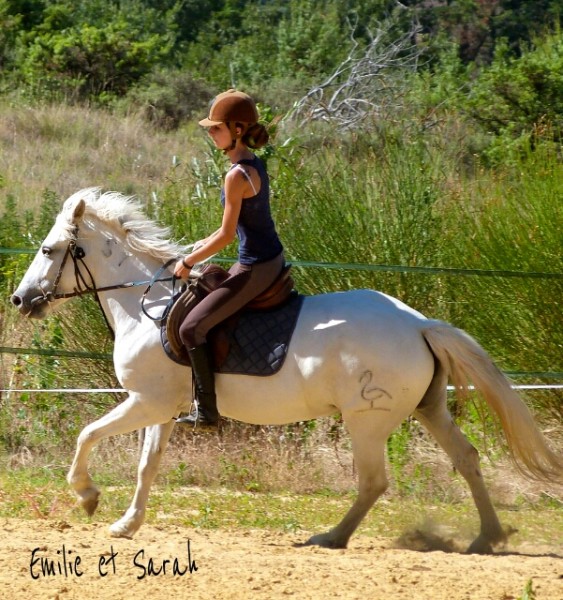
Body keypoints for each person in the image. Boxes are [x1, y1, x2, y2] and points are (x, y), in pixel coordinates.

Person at [174, 89, 285, 428]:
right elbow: (230, 228)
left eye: (216, 128)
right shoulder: (252, 164)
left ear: (237, 129)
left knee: (191, 328)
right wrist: (194, 248)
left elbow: (225, 236)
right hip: (265, 259)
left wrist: (189, 263)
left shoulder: (236, 175)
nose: (210, 133)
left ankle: (207, 412)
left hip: (256, 266)